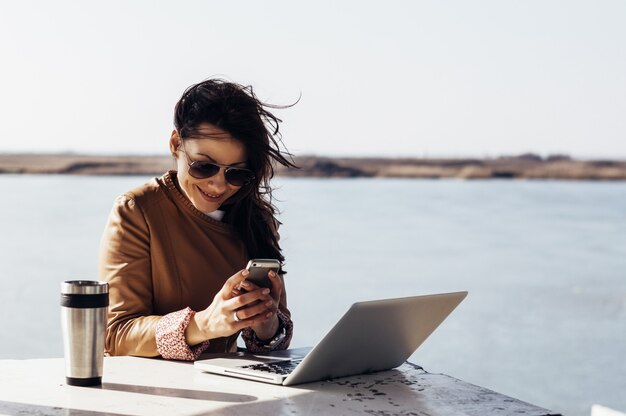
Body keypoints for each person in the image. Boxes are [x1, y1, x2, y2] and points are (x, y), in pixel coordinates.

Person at [98, 78, 296, 360]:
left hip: (233, 393)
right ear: (176, 144)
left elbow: (275, 345)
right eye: (204, 166)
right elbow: (116, 335)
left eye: (236, 173)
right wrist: (203, 324)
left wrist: (266, 323)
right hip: (147, 395)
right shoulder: (136, 210)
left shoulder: (257, 220)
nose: (217, 186)